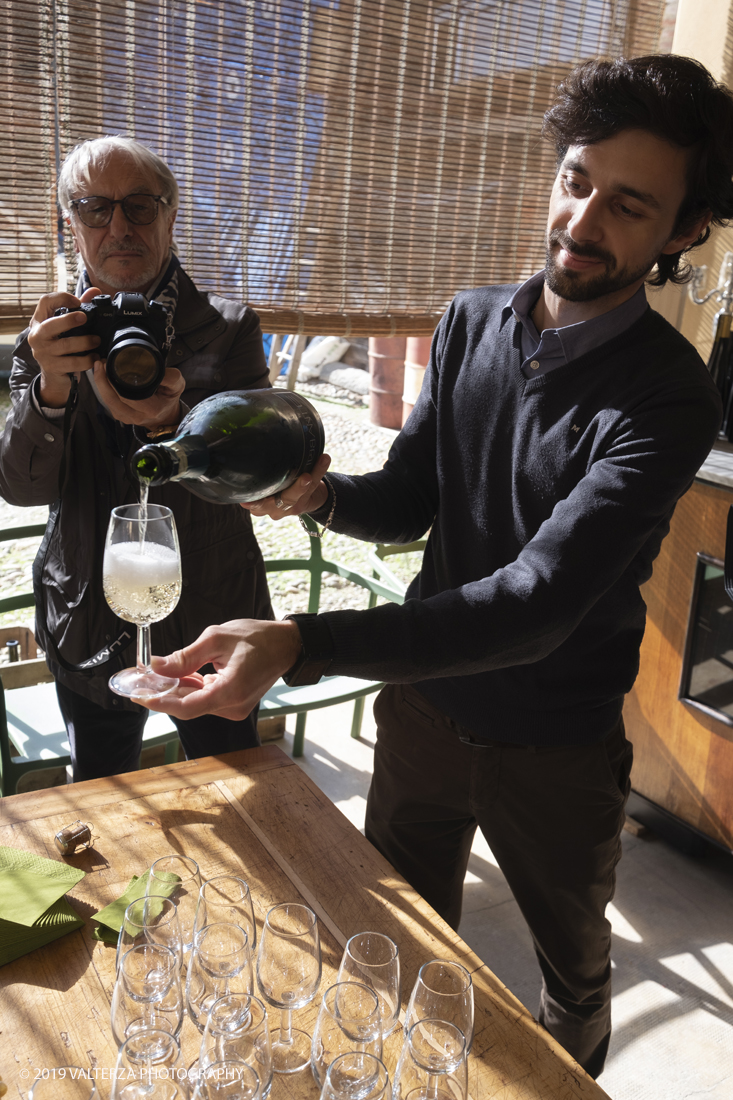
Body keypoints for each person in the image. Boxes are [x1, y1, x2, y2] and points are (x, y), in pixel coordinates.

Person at [140, 56, 733, 1076]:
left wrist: (300, 641)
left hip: (554, 743)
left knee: (572, 976)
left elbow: (535, 603)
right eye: (576, 179)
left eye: (629, 206)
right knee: (400, 948)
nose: (582, 221)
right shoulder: (468, 322)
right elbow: (412, 497)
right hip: (421, 719)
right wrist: (321, 494)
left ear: (683, 232)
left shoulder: (668, 398)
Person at [0, 136, 273, 781]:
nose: (118, 226)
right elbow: (21, 487)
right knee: (101, 793)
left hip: (213, 610)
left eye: (141, 206)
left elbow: (257, 471)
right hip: (88, 615)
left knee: (232, 785)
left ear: (171, 215)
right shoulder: (48, 338)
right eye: (95, 208)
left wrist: (178, 428)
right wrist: (51, 390)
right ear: (71, 225)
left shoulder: (228, 329)